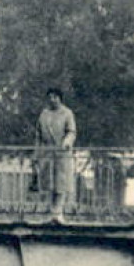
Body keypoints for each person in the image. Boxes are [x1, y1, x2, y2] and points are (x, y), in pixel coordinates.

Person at [35, 86, 78, 224]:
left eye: (55, 97)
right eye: (50, 97)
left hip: (62, 154)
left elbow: (71, 131)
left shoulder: (67, 113)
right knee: (49, 184)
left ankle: (59, 213)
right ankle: (51, 213)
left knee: (61, 184)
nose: (52, 100)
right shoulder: (44, 114)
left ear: (60, 98)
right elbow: (38, 135)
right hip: (47, 153)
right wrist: (37, 153)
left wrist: (67, 142)